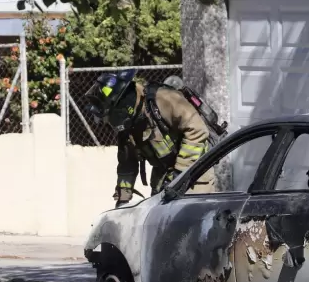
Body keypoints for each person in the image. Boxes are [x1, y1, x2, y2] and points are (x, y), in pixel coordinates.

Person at [85, 69, 214, 207]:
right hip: (163, 183)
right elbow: (127, 164)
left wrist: (179, 175)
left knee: (194, 223)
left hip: (194, 177)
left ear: (123, 106)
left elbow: (197, 130)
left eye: (110, 117)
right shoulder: (127, 124)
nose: (111, 123)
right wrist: (122, 199)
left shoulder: (163, 99)